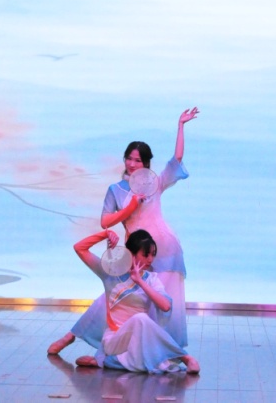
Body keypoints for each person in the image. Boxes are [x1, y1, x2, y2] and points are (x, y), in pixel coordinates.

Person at [48, 107, 198, 355]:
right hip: (134, 251)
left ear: (146, 164)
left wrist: (180, 125)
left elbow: (177, 159)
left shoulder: (155, 183)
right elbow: (105, 221)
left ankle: (157, 352)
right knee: (113, 296)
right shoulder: (116, 190)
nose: (132, 164)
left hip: (164, 250)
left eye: (138, 160)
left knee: (158, 303)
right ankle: (71, 336)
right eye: (129, 158)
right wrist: (130, 208)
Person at [72, 228, 199, 374]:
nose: (150, 259)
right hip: (115, 340)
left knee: (145, 356)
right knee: (141, 319)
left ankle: (108, 362)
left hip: (138, 340)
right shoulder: (110, 273)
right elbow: (79, 248)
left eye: (153, 254)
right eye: (145, 255)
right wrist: (104, 234)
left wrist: (140, 282)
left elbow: (165, 306)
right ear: (130, 254)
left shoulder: (151, 279)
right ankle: (185, 357)